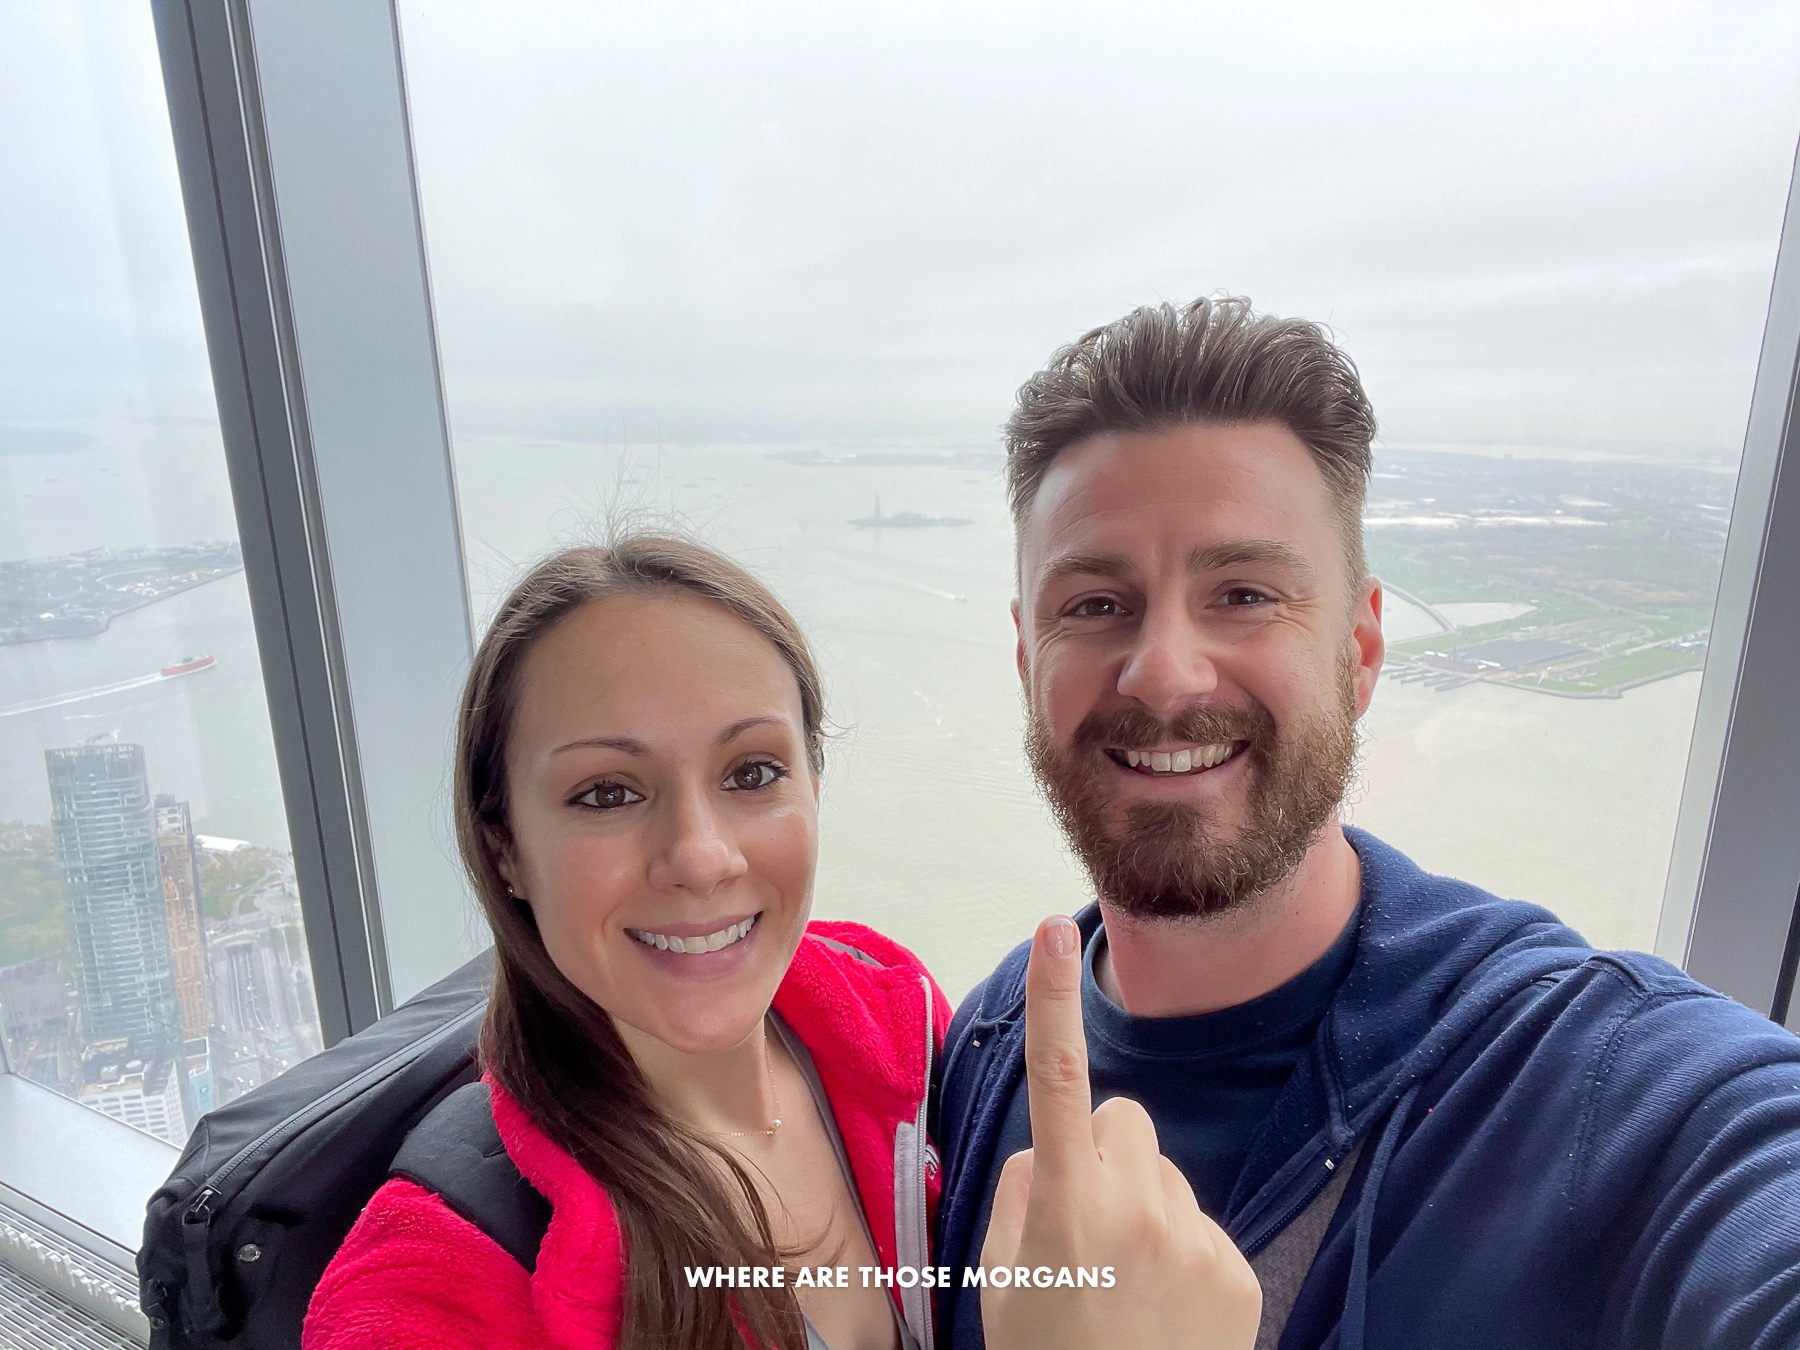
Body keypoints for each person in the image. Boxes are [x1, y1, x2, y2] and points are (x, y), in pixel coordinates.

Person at [935, 296, 1800, 1350]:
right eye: (1096, 605)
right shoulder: (984, 1057)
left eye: (1245, 594)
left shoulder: (1597, 1087)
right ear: (1030, 660)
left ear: (1361, 651)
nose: (1163, 671)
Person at [303, 536, 1260, 1350]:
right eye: (607, 793)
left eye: (752, 771)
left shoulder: (892, 1024)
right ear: (505, 845)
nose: (701, 856)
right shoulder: (436, 1280)